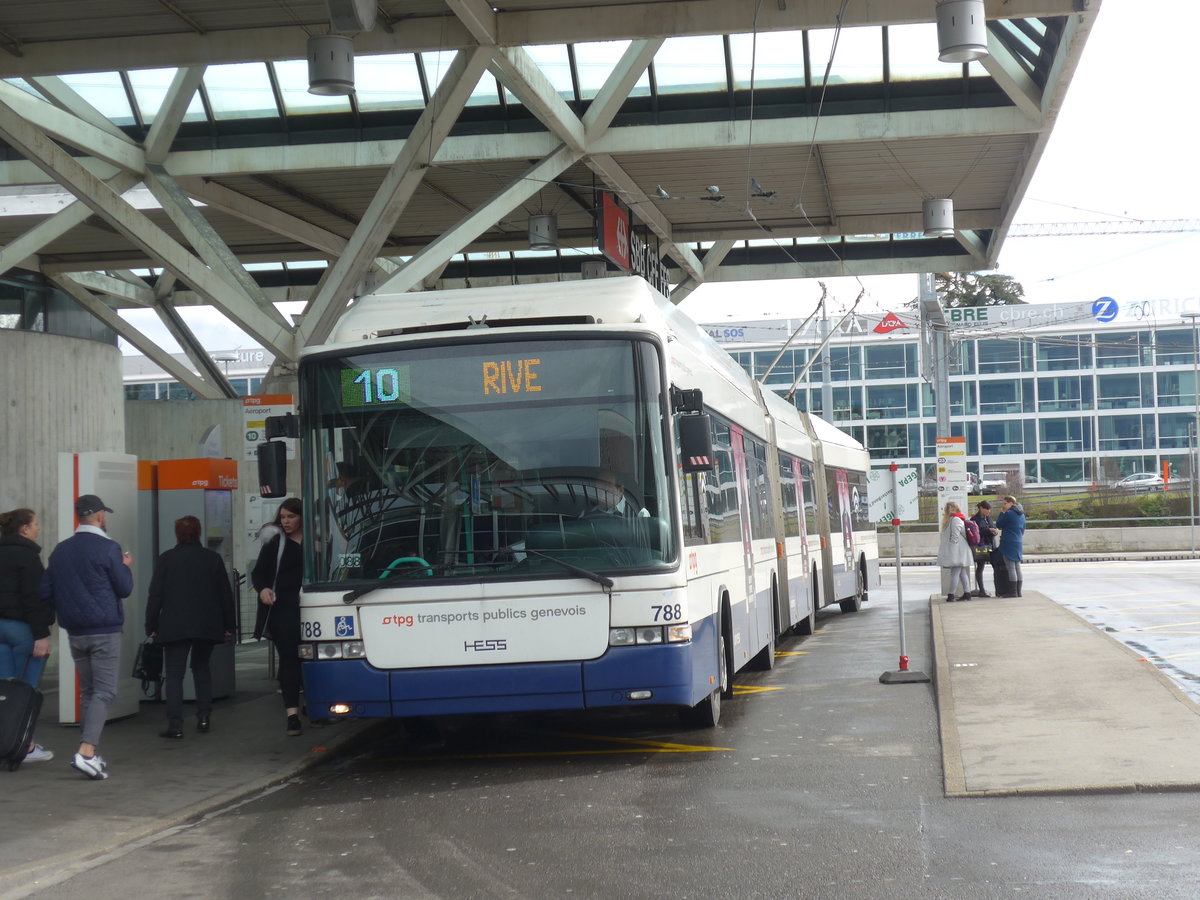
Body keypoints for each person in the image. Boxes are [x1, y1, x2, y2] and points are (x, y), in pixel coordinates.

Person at [38, 494, 133, 780]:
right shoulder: (109, 549)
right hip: (104, 631)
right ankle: (86, 751)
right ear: (101, 517)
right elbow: (124, 588)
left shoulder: (60, 550)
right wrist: (126, 566)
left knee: (90, 693)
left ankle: (89, 753)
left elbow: (44, 592)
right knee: (104, 692)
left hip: (75, 632)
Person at [145, 515, 235, 740]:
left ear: (178, 534)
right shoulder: (212, 559)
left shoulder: (166, 559)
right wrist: (228, 625)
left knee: (174, 674)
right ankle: (204, 716)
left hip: (174, 625)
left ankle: (175, 725)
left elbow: (155, 595)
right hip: (206, 625)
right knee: (201, 668)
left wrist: (151, 625)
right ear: (199, 532)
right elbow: (225, 595)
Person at [0, 508, 55, 763]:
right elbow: (35, 599)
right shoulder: (28, 557)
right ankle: (25, 746)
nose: (38, 528)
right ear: (23, 529)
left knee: (3, 691)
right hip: (23, 630)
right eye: (35, 524)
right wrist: (42, 636)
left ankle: (5, 741)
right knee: (26, 691)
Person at [252, 497, 305, 736]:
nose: (286, 522)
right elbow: (259, 573)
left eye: (291, 517)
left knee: (311, 658)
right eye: (283, 517)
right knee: (289, 657)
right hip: (282, 608)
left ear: (302, 517)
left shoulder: (318, 542)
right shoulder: (275, 542)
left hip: (310, 607)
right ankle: (292, 714)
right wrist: (263, 588)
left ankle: (313, 706)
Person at [936, 500, 973, 603]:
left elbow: (952, 537)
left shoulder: (949, 520)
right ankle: (965, 593)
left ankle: (953, 594)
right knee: (960, 573)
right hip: (959, 550)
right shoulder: (957, 519)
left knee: (957, 573)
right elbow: (960, 535)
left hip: (955, 551)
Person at [996, 495, 1027, 597]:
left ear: (1011, 503)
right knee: (1017, 567)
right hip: (1018, 541)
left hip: (1008, 542)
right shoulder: (1021, 514)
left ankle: (1012, 592)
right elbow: (1023, 529)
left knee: (1011, 567)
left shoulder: (1009, 513)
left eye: (1005, 503)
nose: (1004, 506)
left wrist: (1001, 513)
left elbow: (999, 524)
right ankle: (1018, 591)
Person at [969, 501, 999, 597]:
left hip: (990, 544)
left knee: (996, 566)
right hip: (981, 545)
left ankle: (998, 589)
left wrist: (995, 530)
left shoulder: (988, 518)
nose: (989, 511)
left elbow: (992, 526)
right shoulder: (975, 519)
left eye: (989, 509)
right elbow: (977, 532)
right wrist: (988, 530)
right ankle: (981, 590)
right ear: (981, 508)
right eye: (987, 509)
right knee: (980, 566)